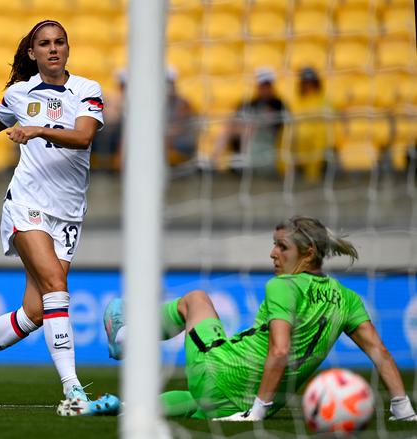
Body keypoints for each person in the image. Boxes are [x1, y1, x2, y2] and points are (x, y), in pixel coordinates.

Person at [0, 20, 104, 406]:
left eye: (60, 42)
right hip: (26, 204)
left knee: (35, 312)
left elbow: (83, 137)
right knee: (57, 290)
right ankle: (72, 390)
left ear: (68, 49)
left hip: (69, 212)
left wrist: (37, 130)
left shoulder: (87, 90)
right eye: (44, 44)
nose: (53, 49)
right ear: (33, 53)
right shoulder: (18, 93)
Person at [103, 215, 417, 422]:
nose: (272, 253)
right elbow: (381, 352)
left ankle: (127, 337)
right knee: (196, 401)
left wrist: (258, 412)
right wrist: (403, 407)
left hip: (222, 375)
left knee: (195, 299)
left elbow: (279, 350)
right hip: (251, 398)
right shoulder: (347, 299)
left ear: (307, 253)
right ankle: (134, 407)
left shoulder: (283, 286)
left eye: (282, 247)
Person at [215, 67, 289, 177]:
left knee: (248, 126)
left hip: (267, 138)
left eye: (267, 85)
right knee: (229, 126)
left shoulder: (279, 104)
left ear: (272, 86)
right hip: (249, 134)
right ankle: (213, 161)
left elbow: (280, 125)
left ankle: (244, 163)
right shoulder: (251, 102)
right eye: (262, 85)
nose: (264, 89)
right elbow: (236, 117)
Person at [289, 67, 332, 183]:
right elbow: (294, 118)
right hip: (300, 136)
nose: (308, 85)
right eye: (306, 82)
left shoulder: (323, 100)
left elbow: (326, 121)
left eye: (311, 82)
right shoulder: (296, 100)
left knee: (317, 139)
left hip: (318, 136)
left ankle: (313, 174)